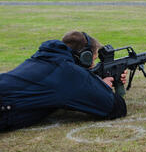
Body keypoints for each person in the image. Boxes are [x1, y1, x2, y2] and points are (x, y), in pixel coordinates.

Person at [0, 31, 128, 132]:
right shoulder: (68, 72)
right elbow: (116, 107)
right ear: (85, 57)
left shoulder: (41, 58)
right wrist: (102, 86)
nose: (93, 65)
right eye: (92, 61)